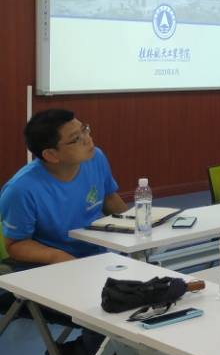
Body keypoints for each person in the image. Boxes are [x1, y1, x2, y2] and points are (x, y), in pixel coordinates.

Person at [1, 109, 127, 264]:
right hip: (47, 266)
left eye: (84, 130)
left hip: (95, 255)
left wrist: (136, 225)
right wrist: (59, 257)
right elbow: (15, 244)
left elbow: (109, 198)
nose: (87, 139)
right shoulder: (21, 189)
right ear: (51, 154)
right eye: (76, 139)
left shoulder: (95, 158)